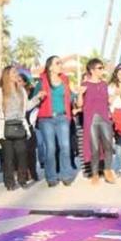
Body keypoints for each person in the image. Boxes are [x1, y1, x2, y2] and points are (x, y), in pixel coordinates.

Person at [0, 66, 41, 190]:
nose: (16, 74)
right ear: (6, 75)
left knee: (22, 153)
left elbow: (27, 107)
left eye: (16, 73)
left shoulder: (21, 91)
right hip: (5, 127)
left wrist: (37, 98)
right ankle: (9, 183)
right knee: (8, 157)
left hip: (20, 125)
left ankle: (22, 179)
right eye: (13, 72)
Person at [35, 56, 80, 187]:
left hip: (62, 118)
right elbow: (34, 98)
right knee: (51, 148)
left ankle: (66, 175)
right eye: (57, 63)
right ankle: (51, 177)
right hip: (46, 119)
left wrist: (76, 95)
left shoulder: (65, 80)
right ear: (50, 67)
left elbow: (71, 97)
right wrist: (39, 96)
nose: (61, 65)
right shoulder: (42, 82)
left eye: (61, 62)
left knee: (65, 146)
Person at [77, 58, 115, 184]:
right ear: (92, 70)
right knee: (94, 148)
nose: (102, 70)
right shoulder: (84, 85)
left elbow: (108, 101)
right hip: (91, 120)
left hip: (104, 118)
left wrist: (116, 95)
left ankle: (108, 170)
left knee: (108, 145)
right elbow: (79, 105)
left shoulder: (104, 84)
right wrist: (79, 94)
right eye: (99, 68)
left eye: (102, 68)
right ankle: (94, 175)